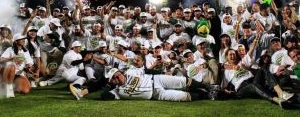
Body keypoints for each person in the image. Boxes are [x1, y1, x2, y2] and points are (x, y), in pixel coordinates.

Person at [69, 67, 210, 101]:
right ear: (113, 80)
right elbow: (104, 95)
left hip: (157, 80)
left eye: (117, 74)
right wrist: (111, 85)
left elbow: (146, 70)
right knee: (184, 97)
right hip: (157, 94)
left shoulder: (130, 71)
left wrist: (162, 71)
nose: (118, 77)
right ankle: (208, 96)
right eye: (114, 78)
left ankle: (210, 88)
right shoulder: (117, 92)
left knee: (183, 81)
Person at [222, 48, 294, 108]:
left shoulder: (241, 64)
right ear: (227, 57)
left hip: (253, 80)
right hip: (242, 88)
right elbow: (223, 87)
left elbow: (251, 51)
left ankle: (281, 93)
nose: (232, 56)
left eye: (233, 54)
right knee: (253, 86)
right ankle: (277, 100)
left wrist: (247, 68)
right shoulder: (226, 71)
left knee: (263, 68)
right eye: (230, 55)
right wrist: (227, 91)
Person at [0, 33, 34, 98]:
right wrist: (12, 58)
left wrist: (28, 68)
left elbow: (29, 63)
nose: (24, 40)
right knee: (12, 66)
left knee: (25, 90)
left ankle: (13, 86)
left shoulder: (26, 51)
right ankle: (9, 88)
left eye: (24, 39)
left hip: (19, 73)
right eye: (21, 39)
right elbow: (1, 59)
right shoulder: (10, 49)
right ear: (16, 41)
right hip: (8, 71)